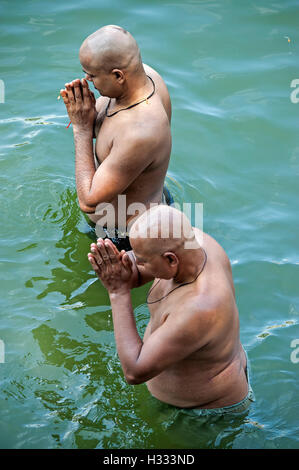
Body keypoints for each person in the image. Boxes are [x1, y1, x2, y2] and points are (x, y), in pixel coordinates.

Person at [87, 205, 254, 415]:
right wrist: (118, 265)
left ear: (170, 259)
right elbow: (140, 269)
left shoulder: (201, 307)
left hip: (206, 414)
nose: (134, 262)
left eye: (141, 260)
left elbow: (134, 372)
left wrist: (117, 292)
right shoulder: (191, 243)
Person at [60, 25, 172, 251]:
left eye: (91, 75)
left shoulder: (140, 131)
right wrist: (85, 110)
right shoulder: (146, 76)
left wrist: (81, 130)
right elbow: (111, 128)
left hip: (127, 237)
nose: (87, 79)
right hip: (147, 199)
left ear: (118, 76)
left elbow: (89, 202)